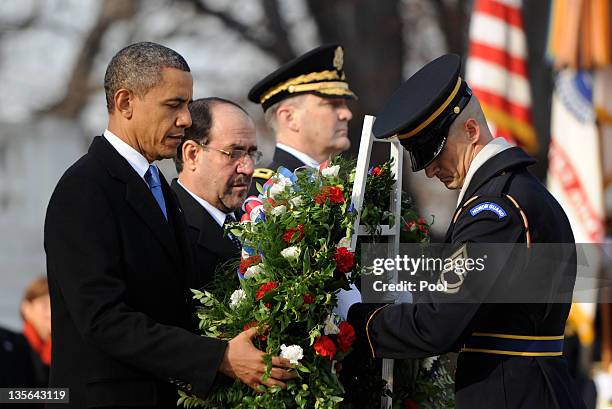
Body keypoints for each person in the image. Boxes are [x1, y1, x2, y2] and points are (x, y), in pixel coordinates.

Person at [44, 42, 293, 408]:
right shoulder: (85, 187)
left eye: (187, 106)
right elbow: (102, 319)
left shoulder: (156, 185)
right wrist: (218, 358)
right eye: (173, 105)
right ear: (126, 103)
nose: (186, 120)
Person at [348, 54, 586, 409]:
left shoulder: (493, 209)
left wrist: (358, 318)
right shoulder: (515, 192)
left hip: (512, 393)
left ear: (472, 131)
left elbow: (440, 324)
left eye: (434, 152)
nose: (429, 171)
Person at [172, 98, 261, 287]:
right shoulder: (169, 225)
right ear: (192, 155)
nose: (249, 168)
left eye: (252, 154)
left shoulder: (256, 222)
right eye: (234, 153)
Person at [247, 44, 356, 195]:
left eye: (344, 104)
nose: (346, 114)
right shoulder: (262, 193)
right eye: (332, 105)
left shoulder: (349, 186)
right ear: (290, 118)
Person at [20, 276, 51, 387]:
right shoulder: (14, 349)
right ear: (27, 308)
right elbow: (7, 395)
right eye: (44, 305)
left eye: (55, 305)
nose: (51, 312)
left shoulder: (65, 349)